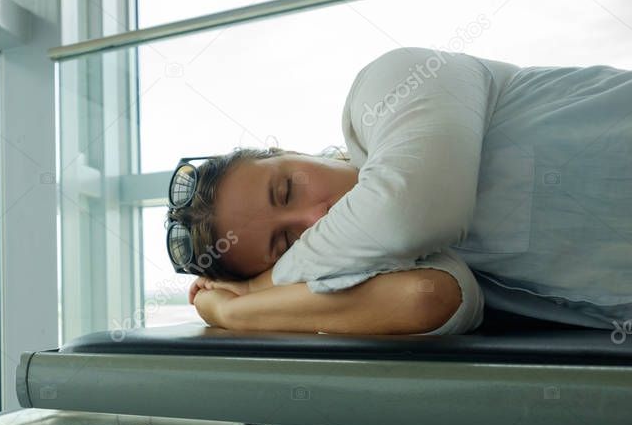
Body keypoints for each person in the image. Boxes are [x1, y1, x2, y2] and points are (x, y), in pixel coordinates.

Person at [166, 46, 632, 335]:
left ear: (287, 149)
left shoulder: (391, 85)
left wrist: (259, 285)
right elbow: (425, 299)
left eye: (287, 190)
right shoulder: (399, 259)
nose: (316, 218)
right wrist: (234, 315)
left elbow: (406, 214)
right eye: (285, 242)